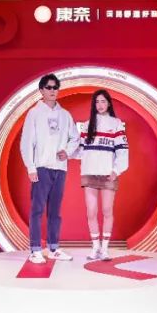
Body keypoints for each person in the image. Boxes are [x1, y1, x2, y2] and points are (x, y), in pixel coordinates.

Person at [19, 74, 79, 264]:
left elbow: (75, 138)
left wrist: (67, 152)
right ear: (41, 90)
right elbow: (26, 142)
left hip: (60, 169)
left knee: (55, 211)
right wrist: (31, 167)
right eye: (49, 87)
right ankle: (35, 250)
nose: (53, 91)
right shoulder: (34, 113)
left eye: (55, 87)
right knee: (37, 209)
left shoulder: (65, 115)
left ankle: (53, 248)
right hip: (41, 168)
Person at [75, 90, 129, 261]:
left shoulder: (116, 124)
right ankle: (95, 247)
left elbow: (122, 150)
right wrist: (64, 152)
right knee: (91, 212)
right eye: (97, 102)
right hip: (89, 172)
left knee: (107, 210)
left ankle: (105, 249)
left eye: (103, 101)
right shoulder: (87, 125)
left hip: (107, 174)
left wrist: (116, 170)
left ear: (109, 104)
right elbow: (80, 150)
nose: (100, 105)